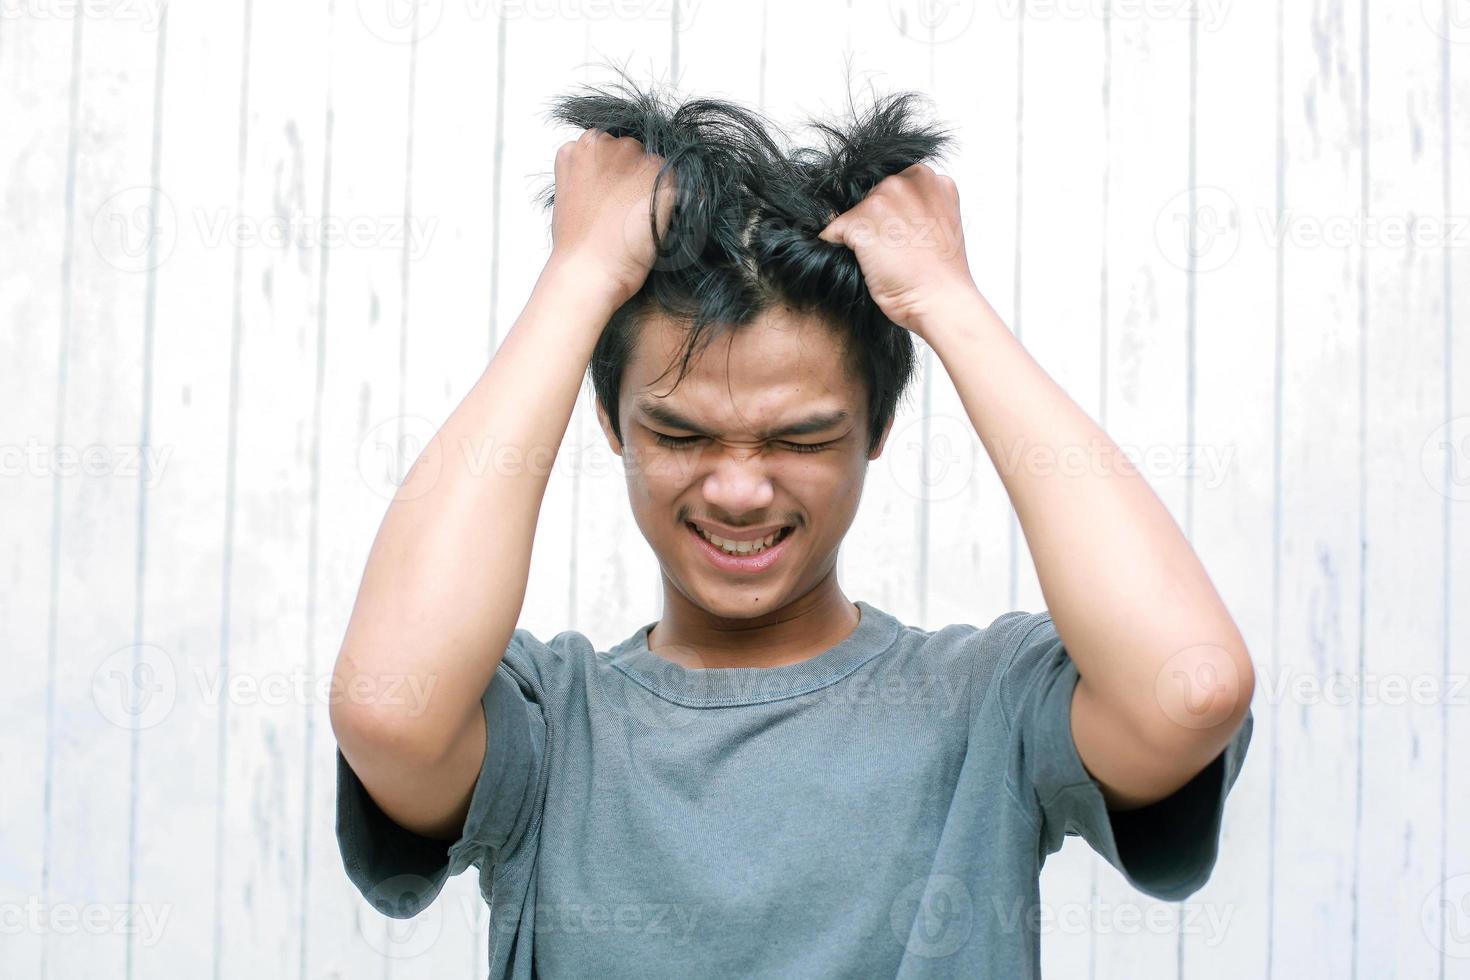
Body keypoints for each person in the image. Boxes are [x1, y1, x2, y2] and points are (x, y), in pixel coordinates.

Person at [330, 70, 1255, 979]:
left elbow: (1191, 690)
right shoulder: (550, 726)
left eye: (802, 439)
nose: (739, 491)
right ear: (611, 423)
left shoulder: (987, 708)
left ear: (878, 430)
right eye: (681, 432)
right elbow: (386, 710)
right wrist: (579, 277)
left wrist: (949, 302)